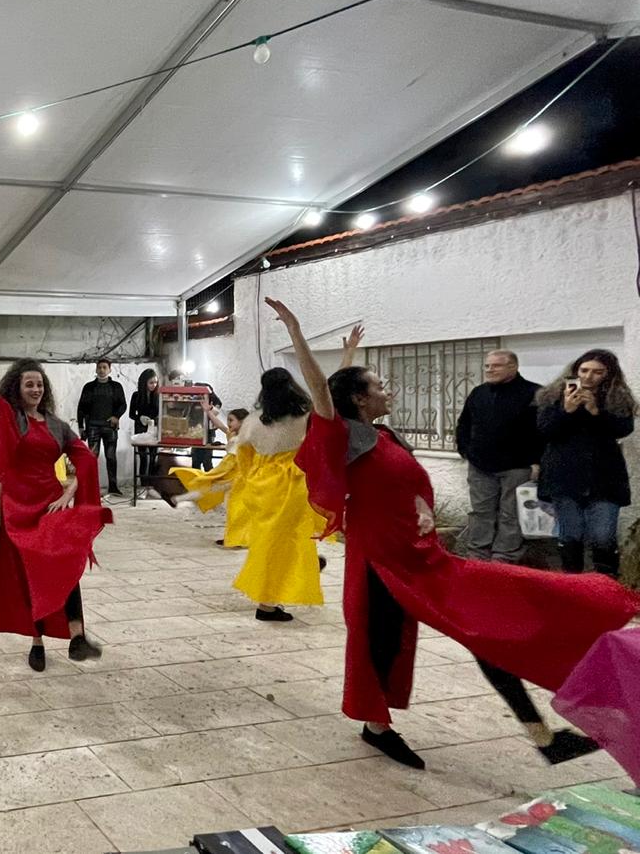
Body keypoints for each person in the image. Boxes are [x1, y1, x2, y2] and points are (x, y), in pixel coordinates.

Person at [272, 297, 637, 771]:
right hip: (383, 563)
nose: (388, 391)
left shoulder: (382, 435)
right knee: (382, 645)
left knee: (490, 628)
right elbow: (325, 393)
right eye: (379, 386)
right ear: (361, 400)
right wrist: (296, 332)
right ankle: (376, 728)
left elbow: (399, 476)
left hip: (424, 559)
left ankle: (544, 735)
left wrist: (422, 507)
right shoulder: (344, 437)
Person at [0, 299, 109, 672]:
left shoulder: (57, 425)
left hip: (50, 505)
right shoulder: (9, 418)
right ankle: (37, 641)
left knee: (66, 565)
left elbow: (85, 459)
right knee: (30, 575)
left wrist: (69, 492)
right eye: (29, 384)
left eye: (40, 384)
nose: (36, 389)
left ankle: (77, 637)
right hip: (18, 508)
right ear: (18, 388)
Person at [226, 368, 325, 622]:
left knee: (267, 543)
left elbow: (243, 456)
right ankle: (268, 603)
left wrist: (252, 481)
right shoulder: (305, 416)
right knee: (293, 538)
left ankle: (271, 598)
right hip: (293, 483)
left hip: (262, 487)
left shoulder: (253, 421)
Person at [535, 349, 633, 577]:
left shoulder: (617, 398)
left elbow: (623, 429)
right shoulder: (553, 396)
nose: (588, 377)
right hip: (564, 477)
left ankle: (606, 584)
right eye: (584, 370)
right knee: (570, 535)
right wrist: (566, 411)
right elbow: (544, 430)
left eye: (597, 372)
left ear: (609, 374)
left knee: (603, 536)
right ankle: (573, 585)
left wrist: (596, 412)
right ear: (575, 370)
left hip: (604, 479)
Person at [455, 350, 542, 564]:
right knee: (480, 512)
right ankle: (477, 555)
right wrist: (466, 451)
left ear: (513, 367)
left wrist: (537, 461)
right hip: (480, 466)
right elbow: (464, 424)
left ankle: (504, 557)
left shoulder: (535, 393)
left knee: (510, 514)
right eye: (487, 366)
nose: (489, 370)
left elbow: (544, 431)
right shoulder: (479, 393)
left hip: (517, 466)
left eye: (496, 366)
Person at [172, 406, 252, 549]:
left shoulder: (243, 440)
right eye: (228, 420)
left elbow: (230, 462)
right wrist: (208, 412)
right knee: (229, 506)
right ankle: (235, 538)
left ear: (242, 422)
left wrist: (214, 473)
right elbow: (220, 426)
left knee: (234, 508)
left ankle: (238, 539)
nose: (228, 423)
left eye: (231, 420)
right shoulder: (234, 436)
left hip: (238, 479)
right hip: (233, 478)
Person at [75, 359, 127, 495]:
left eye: (105, 367)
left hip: (110, 427)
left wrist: (116, 416)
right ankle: (90, 487)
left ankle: (113, 487)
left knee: (111, 457)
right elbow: (81, 408)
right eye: (99, 367)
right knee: (92, 458)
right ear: (96, 369)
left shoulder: (116, 387)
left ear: (110, 369)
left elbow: (123, 405)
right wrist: (81, 426)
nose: (102, 370)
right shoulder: (89, 387)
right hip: (93, 427)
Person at [128, 369, 160, 498]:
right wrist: (140, 418)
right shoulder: (136, 395)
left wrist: (155, 420)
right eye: (151, 382)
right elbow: (131, 414)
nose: (153, 385)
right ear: (144, 382)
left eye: (155, 382)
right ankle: (142, 487)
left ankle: (151, 486)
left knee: (153, 457)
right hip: (141, 429)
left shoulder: (158, 395)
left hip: (154, 430)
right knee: (143, 458)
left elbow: (160, 412)